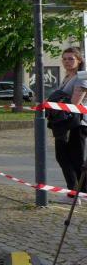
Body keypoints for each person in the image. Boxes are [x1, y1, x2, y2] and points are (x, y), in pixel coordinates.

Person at [52, 47, 87, 189]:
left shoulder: (82, 76)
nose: (67, 61)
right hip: (63, 122)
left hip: (77, 123)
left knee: (76, 159)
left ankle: (82, 192)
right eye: (64, 59)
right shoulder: (67, 77)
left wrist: (56, 103)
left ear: (79, 61)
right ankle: (73, 190)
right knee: (62, 156)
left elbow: (74, 104)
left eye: (71, 59)